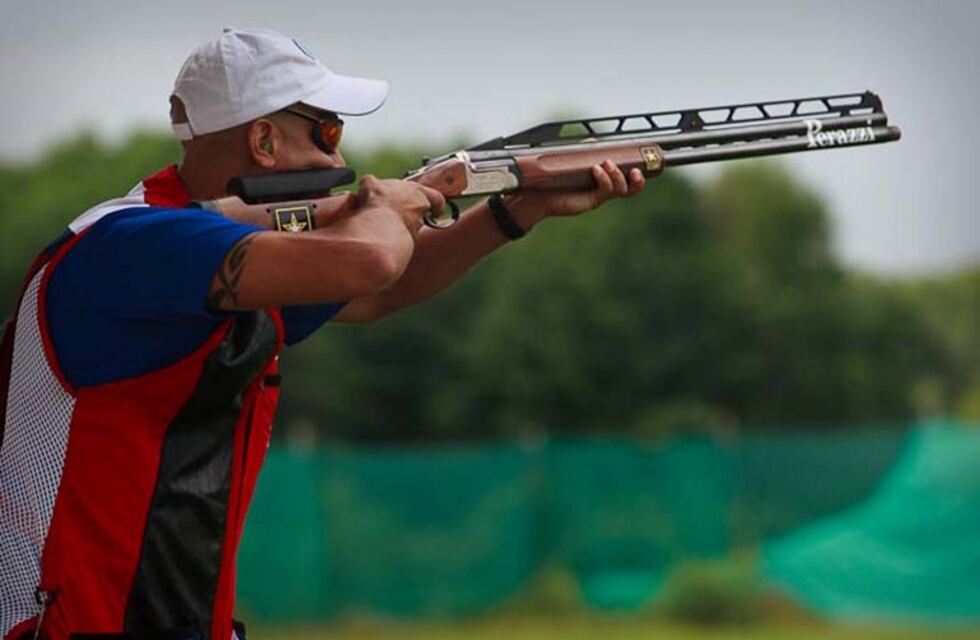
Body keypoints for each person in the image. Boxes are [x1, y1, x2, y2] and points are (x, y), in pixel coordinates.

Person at [0, 28, 644, 640]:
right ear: (263, 142)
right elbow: (370, 261)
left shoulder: (210, 249)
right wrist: (387, 206)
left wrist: (515, 207)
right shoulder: (134, 244)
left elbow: (376, 293)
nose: (340, 158)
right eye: (328, 131)